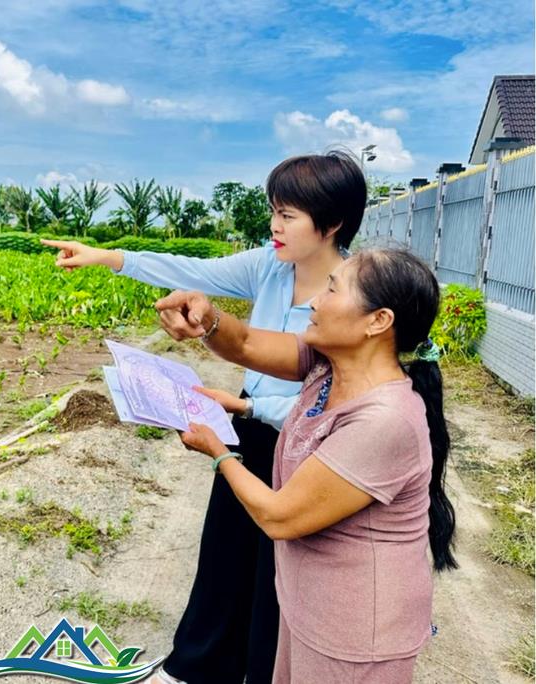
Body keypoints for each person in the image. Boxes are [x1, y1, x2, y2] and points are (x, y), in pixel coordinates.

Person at [42, 151, 367, 684]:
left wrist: (251, 405)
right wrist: (105, 256)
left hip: (310, 444)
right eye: (273, 211)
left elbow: (343, 398)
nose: (274, 225)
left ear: (330, 224)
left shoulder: (351, 293)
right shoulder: (269, 265)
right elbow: (193, 271)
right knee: (224, 551)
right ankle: (197, 668)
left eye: (288, 215)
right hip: (251, 429)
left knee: (278, 572)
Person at [157, 248, 457, 682]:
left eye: (333, 289)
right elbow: (244, 342)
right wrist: (208, 318)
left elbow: (280, 516)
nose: (315, 301)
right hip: (310, 606)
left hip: (354, 634)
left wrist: (218, 450)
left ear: (378, 321)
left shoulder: (385, 420)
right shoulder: (329, 366)